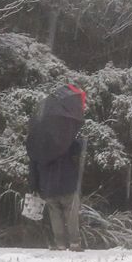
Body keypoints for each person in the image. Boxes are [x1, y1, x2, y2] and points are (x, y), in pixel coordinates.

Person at [26, 85, 86, 252]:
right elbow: (77, 151)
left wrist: (34, 187)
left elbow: (33, 167)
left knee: (55, 215)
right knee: (71, 213)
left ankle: (59, 243)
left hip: (48, 186)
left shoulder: (37, 145)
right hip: (67, 183)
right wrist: (80, 141)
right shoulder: (64, 139)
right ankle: (74, 243)